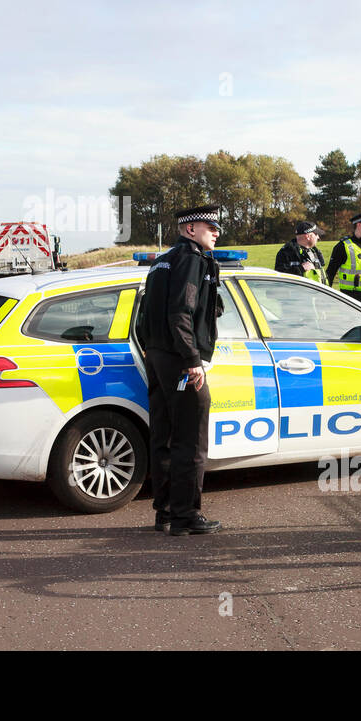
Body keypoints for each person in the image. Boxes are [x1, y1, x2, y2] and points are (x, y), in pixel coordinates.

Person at [135, 205, 224, 536]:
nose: (216, 232)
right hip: (180, 359)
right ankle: (187, 515)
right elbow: (180, 312)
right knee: (192, 437)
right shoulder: (191, 258)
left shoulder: (163, 260)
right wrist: (192, 360)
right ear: (190, 230)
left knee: (165, 435)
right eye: (210, 227)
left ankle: (167, 512)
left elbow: (147, 312)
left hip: (158, 356)